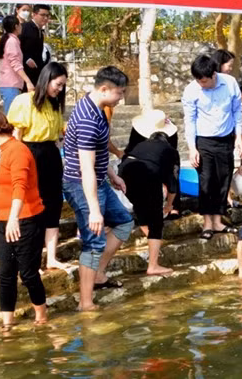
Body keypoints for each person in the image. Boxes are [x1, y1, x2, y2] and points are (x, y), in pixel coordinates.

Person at [62, 66, 134, 311]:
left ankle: (99, 273)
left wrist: (112, 174)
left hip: (99, 180)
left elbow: (101, 152)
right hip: (81, 184)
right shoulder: (87, 119)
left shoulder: (99, 109)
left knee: (124, 222)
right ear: (104, 89)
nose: (122, 97)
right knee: (93, 241)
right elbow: (86, 167)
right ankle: (86, 303)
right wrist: (94, 210)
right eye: (119, 93)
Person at [0, 112, 48, 329]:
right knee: (5, 273)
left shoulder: (17, 150)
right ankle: (7, 324)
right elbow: (7, 181)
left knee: (28, 272)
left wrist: (13, 219)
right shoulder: (4, 152)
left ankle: (41, 316)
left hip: (25, 218)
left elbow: (20, 185)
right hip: (4, 219)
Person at [8, 62, 69, 271]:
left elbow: (60, 134)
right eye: (57, 84)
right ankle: (29, 257)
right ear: (47, 79)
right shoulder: (25, 101)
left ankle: (51, 257)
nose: (59, 89)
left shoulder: (54, 106)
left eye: (62, 86)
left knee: (53, 205)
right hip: (30, 153)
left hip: (51, 155)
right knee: (32, 205)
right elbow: (17, 134)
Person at [182, 54, 242, 240]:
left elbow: (237, 111)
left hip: (226, 139)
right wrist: (192, 147)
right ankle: (207, 223)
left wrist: (239, 137)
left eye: (205, 81)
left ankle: (218, 220)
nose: (202, 85)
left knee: (223, 179)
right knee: (206, 181)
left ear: (214, 74)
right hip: (204, 141)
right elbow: (189, 121)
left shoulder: (230, 83)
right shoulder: (191, 91)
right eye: (199, 81)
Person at [119, 130, 180, 276]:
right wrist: (169, 205)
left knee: (141, 209)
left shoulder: (141, 145)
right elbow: (173, 183)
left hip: (124, 172)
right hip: (147, 173)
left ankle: (152, 242)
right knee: (156, 221)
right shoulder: (170, 151)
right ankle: (153, 265)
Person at [123, 109, 181, 219]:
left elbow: (172, 156)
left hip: (164, 159)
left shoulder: (170, 135)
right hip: (141, 163)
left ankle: (174, 207)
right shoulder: (137, 131)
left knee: (174, 173)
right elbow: (131, 148)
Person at [0, 15, 34, 114]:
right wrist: (28, 81)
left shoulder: (10, 40)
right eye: (20, 25)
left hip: (11, 84)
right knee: (11, 116)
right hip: (10, 85)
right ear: (16, 26)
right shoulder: (12, 41)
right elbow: (16, 64)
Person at [20, 4, 51, 87]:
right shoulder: (24, 28)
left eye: (47, 15)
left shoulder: (40, 31)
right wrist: (26, 59)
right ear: (34, 15)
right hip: (24, 74)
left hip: (36, 74)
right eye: (42, 15)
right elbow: (16, 47)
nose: (45, 18)